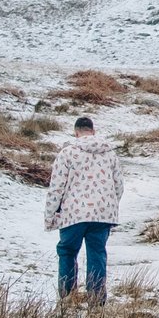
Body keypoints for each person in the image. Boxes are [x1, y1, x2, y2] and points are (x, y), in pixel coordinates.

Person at [43, 114, 123, 305]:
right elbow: (119, 186)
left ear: (76, 133)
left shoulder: (67, 153)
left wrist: (50, 215)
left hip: (74, 213)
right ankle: (96, 299)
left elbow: (56, 187)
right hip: (103, 213)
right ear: (93, 132)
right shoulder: (110, 154)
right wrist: (108, 204)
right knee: (97, 252)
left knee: (67, 250)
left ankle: (67, 296)